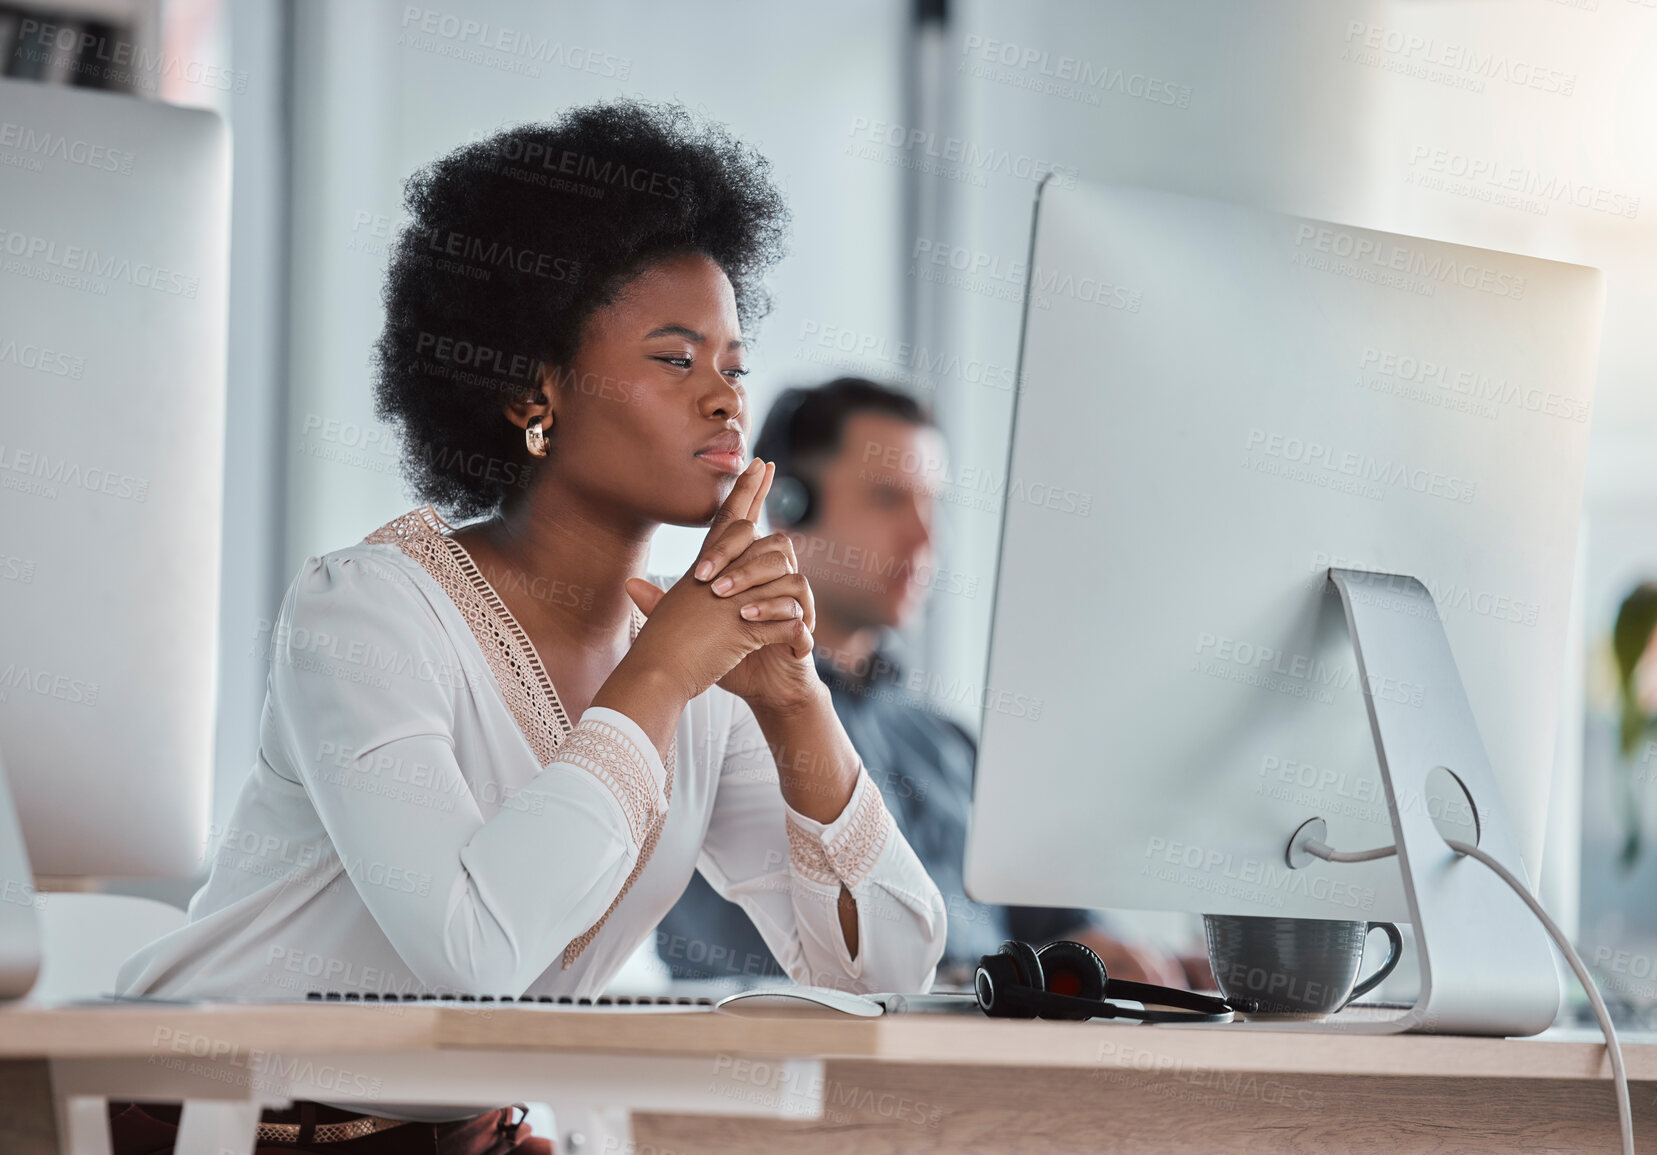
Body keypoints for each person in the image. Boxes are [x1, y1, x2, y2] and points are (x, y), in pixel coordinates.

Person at [107, 102, 945, 1155]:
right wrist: (664, 674)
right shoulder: (365, 610)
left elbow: (891, 973)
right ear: (530, 389)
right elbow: (472, 957)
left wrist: (793, 701)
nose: (727, 402)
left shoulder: (706, 674)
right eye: (676, 361)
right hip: (222, 1138)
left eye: (734, 364)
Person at [656, 378, 1190, 989]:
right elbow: (776, 958)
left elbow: (1054, 921)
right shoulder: (712, 715)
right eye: (888, 499)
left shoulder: (947, 743)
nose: (928, 540)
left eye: (933, 504)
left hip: (977, 1057)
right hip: (800, 1063)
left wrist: (1116, 956)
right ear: (790, 508)